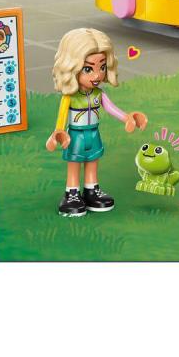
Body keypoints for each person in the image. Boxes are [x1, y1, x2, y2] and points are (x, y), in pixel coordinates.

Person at [46, 28, 148, 216]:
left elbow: (111, 108)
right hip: (75, 135)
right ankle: (72, 193)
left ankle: (91, 190)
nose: (97, 75)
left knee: (93, 160)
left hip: (93, 133)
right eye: (88, 69)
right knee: (74, 162)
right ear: (71, 67)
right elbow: (61, 119)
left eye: (102, 67)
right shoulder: (70, 97)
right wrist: (59, 132)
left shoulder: (99, 94)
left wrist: (128, 117)